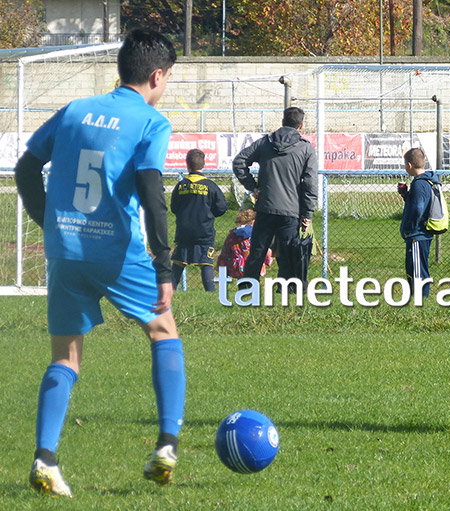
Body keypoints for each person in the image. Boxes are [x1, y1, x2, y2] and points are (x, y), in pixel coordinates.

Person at [14, 28, 185, 496]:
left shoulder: (75, 110)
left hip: (64, 251)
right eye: (168, 78)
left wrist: (47, 221)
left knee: (65, 358)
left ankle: (45, 458)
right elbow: (152, 192)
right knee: (163, 330)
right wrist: (165, 265)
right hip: (115, 251)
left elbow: (26, 168)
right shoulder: (152, 122)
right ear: (156, 75)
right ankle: (167, 445)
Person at [232, 106, 317, 285]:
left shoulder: (265, 143)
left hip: (265, 208)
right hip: (291, 210)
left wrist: (252, 186)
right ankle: (286, 289)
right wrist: (307, 213)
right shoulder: (306, 148)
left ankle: (248, 288)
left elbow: (239, 162)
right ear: (301, 126)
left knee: (257, 251)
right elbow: (310, 183)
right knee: (288, 252)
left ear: (282, 122)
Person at [170, 148, 228, 291]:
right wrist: (208, 214)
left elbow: (173, 207)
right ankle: (210, 293)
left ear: (187, 165)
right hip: (204, 232)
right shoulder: (210, 186)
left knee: (178, 264)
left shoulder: (181, 185)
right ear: (203, 165)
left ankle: (169, 293)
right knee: (206, 264)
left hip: (184, 232)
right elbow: (222, 207)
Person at [399, 147, 439, 298]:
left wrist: (409, 229)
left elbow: (418, 209)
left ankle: (421, 301)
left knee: (418, 272)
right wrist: (405, 196)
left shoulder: (419, 184)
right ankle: (415, 299)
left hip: (417, 234)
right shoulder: (422, 182)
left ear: (409, 165)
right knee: (414, 269)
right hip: (418, 235)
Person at [216, 208, 274, 278]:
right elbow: (261, 248)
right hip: (254, 265)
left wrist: (221, 265)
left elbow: (225, 252)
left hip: (237, 267)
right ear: (253, 221)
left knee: (242, 283)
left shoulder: (232, 235)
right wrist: (269, 258)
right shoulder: (254, 234)